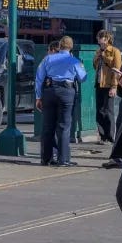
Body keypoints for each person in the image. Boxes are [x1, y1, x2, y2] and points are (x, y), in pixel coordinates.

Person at [36, 36, 87, 167]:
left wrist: (38, 97)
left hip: (49, 91)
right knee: (64, 126)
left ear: (59, 46)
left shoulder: (47, 59)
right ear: (71, 46)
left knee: (47, 127)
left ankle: (46, 159)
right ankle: (63, 159)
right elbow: (82, 78)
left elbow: (39, 78)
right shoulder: (73, 60)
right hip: (66, 91)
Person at [94, 29, 122, 144]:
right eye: (99, 37)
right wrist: (98, 56)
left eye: (102, 37)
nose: (99, 39)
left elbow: (117, 69)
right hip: (99, 83)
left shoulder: (114, 51)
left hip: (109, 84)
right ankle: (102, 136)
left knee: (108, 111)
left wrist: (114, 86)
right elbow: (95, 66)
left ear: (107, 38)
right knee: (99, 110)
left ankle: (110, 136)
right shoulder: (98, 51)